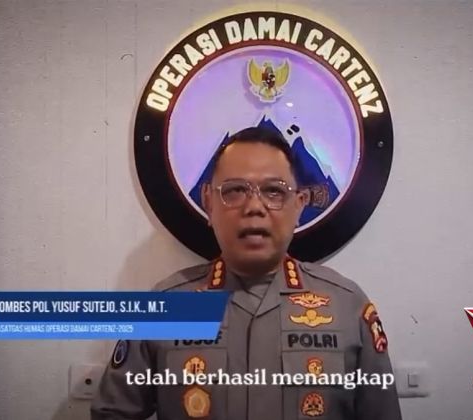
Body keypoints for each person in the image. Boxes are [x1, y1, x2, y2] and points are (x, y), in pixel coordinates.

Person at [91, 127, 403, 419]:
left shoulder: (347, 307)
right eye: (236, 190)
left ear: (299, 206)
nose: (254, 206)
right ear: (209, 203)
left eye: (274, 191)